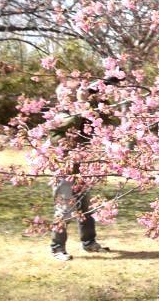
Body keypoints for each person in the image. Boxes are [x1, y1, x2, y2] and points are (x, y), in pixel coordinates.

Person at [49, 80, 111, 261]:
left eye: (73, 93)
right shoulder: (56, 117)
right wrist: (82, 103)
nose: (71, 96)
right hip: (64, 170)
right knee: (64, 210)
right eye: (67, 94)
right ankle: (57, 248)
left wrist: (93, 99)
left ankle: (89, 243)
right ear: (60, 97)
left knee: (86, 209)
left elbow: (99, 120)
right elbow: (71, 122)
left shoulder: (80, 113)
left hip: (82, 168)